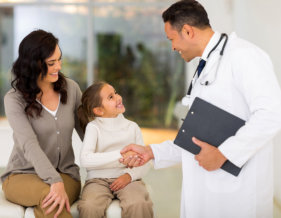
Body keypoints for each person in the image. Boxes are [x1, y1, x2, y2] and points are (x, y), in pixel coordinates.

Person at [120, 0, 281, 218]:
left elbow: (271, 114)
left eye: (172, 39)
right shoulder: (205, 67)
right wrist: (152, 152)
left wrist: (224, 154)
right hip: (206, 192)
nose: (172, 47)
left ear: (187, 31)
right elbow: (196, 139)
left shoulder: (244, 56)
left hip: (237, 197)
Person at [0, 29, 84, 218]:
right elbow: (28, 143)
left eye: (59, 59)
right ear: (33, 65)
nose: (58, 67)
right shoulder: (14, 99)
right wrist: (53, 181)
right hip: (21, 176)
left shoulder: (71, 89)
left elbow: (89, 132)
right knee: (51, 199)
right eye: (51, 63)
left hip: (66, 175)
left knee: (52, 203)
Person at [76, 82, 153, 218]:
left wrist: (129, 176)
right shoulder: (93, 128)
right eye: (110, 97)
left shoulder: (132, 127)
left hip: (129, 179)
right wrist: (121, 154)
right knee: (89, 206)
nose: (118, 97)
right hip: (97, 180)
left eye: (116, 93)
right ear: (99, 110)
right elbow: (85, 159)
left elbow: (145, 161)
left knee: (138, 204)